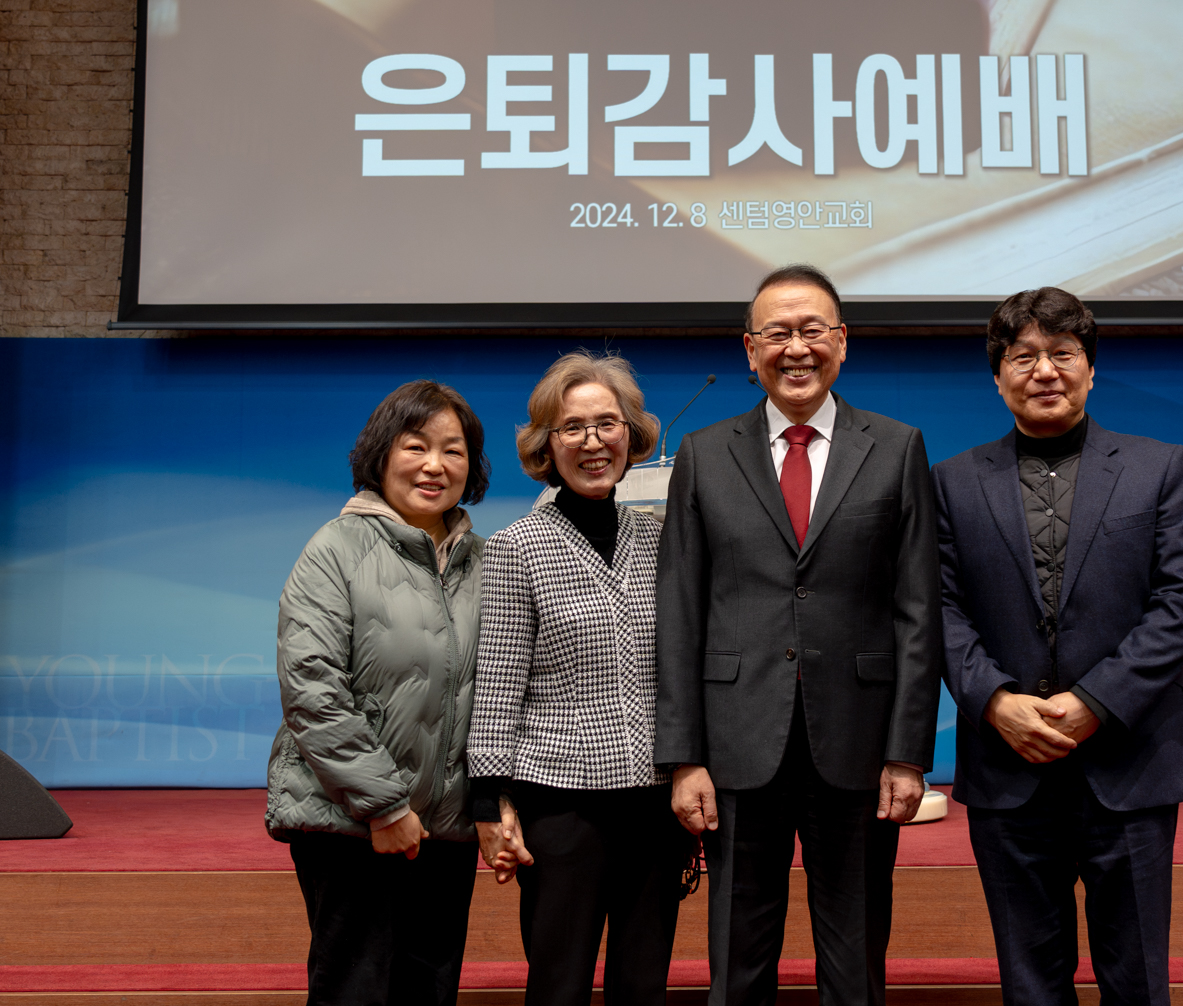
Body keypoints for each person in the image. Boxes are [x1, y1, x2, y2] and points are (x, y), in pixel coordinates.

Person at [655, 265, 943, 1006]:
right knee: (736, 962)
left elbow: (918, 610)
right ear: (749, 349)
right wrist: (683, 757)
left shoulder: (897, 447)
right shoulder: (703, 453)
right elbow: (679, 610)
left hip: (858, 742)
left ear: (841, 341)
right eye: (777, 333)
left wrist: (908, 752)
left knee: (855, 966)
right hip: (736, 743)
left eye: (812, 330)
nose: (796, 348)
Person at [931, 287, 1183, 1006]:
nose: (1045, 371)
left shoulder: (1157, 467)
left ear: (1090, 369)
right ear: (998, 377)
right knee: (1030, 984)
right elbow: (937, 610)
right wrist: (996, 702)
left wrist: (1095, 702)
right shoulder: (952, 482)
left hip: (1130, 759)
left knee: (1137, 979)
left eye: (1062, 353)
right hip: (1008, 762)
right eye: (1023, 356)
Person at [466, 350, 693, 1006]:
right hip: (561, 808)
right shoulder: (515, 548)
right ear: (546, 445)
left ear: (631, 435)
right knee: (558, 986)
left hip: (655, 806)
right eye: (572, 428)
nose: (593, 442)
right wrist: (488, 803)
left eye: (607, 424)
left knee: (642, 987)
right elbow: (498, 684)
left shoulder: (662, 539)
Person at [266, 379, 490, 1006]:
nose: (434, 465)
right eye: (416, 446)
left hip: (445, 832)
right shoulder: (335, 550)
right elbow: (312, 687)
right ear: (381, 455)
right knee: (354, 992)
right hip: (351, 825)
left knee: (429, 993)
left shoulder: (487, 561)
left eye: (453, 450)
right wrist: (385, 808)